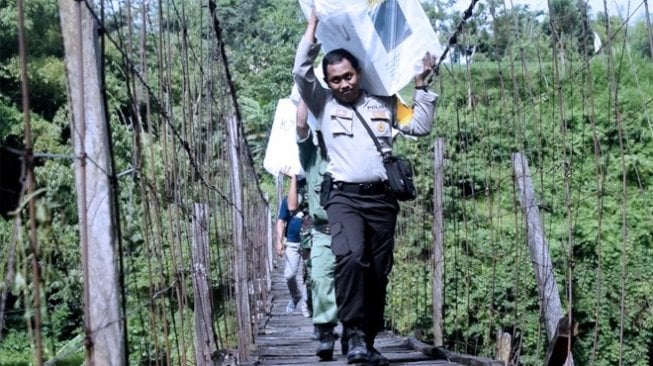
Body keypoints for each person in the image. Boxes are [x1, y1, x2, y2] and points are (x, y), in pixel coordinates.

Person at [293, 10, 438, 365]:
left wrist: (421, 87)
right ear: (327, 83)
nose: (344, 84)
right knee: (352, 257)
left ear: (358, 73)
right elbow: (300, 71)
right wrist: (312, 27)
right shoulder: (322, 104)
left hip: (382, 200)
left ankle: (367, 342)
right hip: (343, 197)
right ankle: (353, 333)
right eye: (336, 79)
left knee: (377, 271)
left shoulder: (384, 103)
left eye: (348, 76)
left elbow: (419, 125)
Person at [289, 99, 339, 361]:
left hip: (350, 228)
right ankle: (326, 331)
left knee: (356, 282)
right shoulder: (311, 155)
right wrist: (304, 93)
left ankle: (359, 334)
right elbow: (300, 125)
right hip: (321, 231)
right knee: (319, 278)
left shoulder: (349, 149)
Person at [275, 178, 311, 318]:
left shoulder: (311, 201)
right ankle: (296, 296)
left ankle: (306, 305)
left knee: (310, 275)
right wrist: (279, 241)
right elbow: (281, 221)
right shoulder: (286, 201)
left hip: (309, 242)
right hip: (292, 243)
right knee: (289, 275)